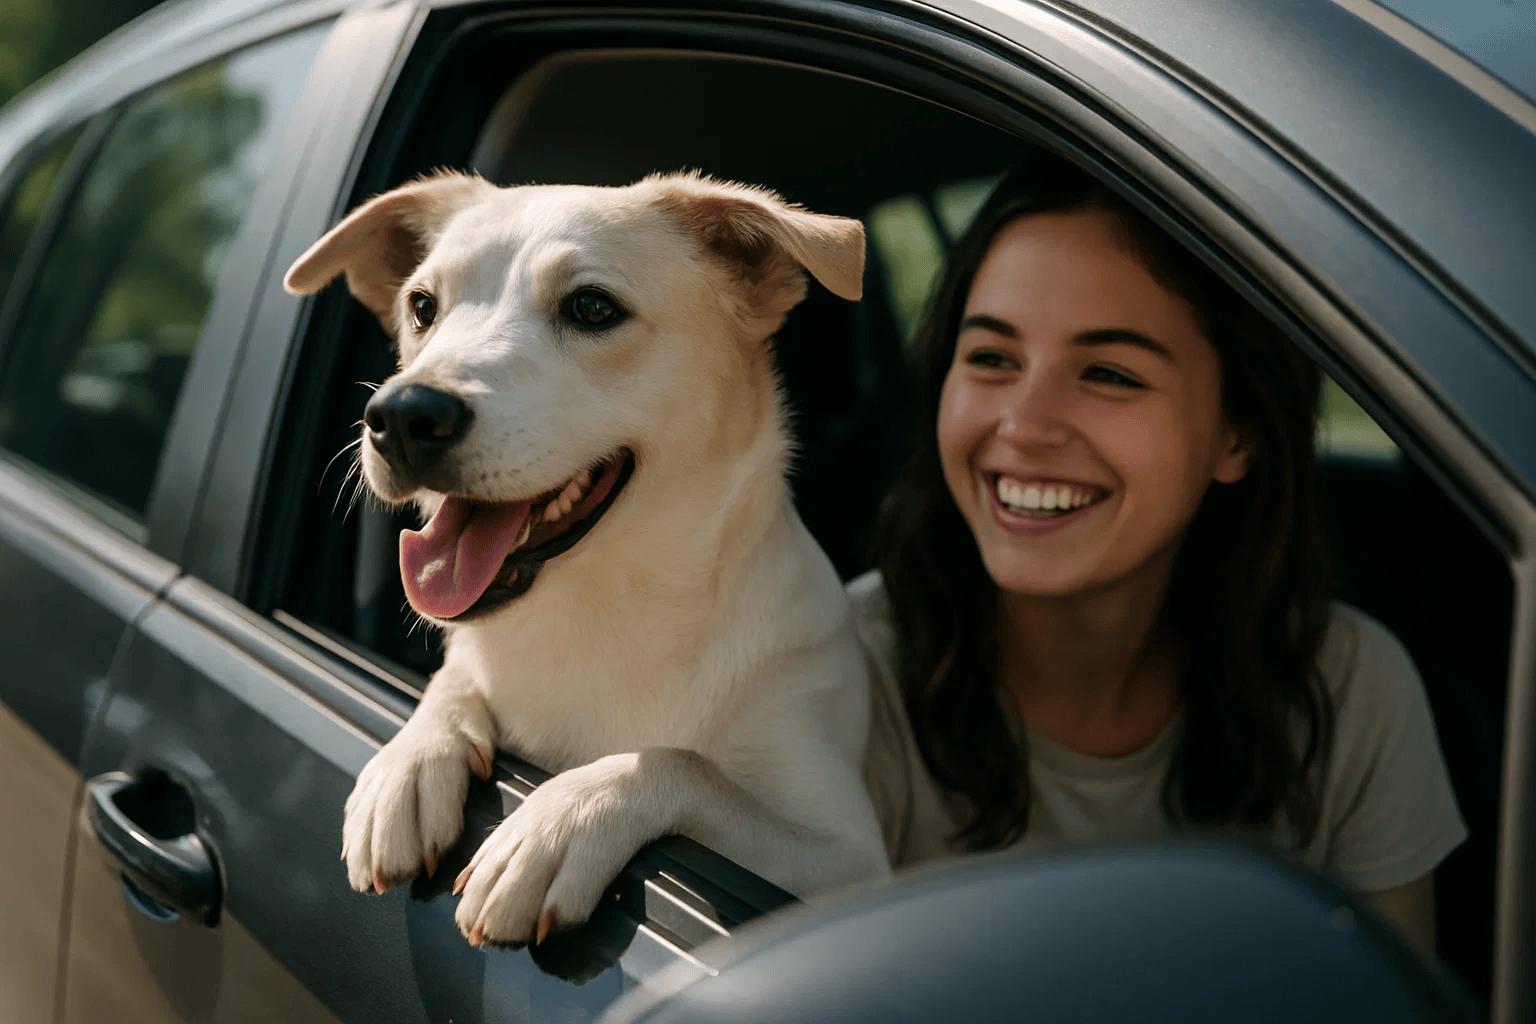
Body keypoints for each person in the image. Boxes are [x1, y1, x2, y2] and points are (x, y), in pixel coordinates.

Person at [852, 153, 1466, 957]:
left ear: (1237, 433)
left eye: (1107, 373)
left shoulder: (1351, 694)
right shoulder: (839, 676)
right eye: (993, 359)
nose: (1026, 425)